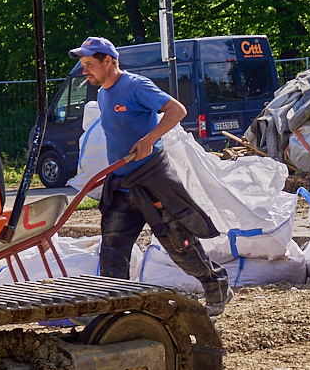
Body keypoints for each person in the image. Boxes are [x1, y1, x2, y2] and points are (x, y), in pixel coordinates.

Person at [69, 36, 233, 316]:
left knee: (179, 245)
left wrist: (149, 139)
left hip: (152, 179)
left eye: (89, 64)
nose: (85, 71)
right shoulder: (103, 93)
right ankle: (116, 309)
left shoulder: (135, 86)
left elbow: (176, 110)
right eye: (83, 65)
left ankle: (217, 286)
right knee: (112, 250)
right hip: (122, 184)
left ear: (108, 61)